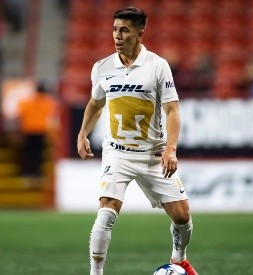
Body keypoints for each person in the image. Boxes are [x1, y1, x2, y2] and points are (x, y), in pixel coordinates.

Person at [76, 7, 198, 275]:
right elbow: (96, 103)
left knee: (182, 216)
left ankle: (179, 259)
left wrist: (171, 149)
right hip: (117, 153)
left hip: (153, 154)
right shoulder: (102, 68)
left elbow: (172, 109)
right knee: (106, 211)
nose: (117, 36)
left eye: (124, 30)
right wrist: (83, 133)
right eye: (115, 30)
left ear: (140, 34)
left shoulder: (157, 66)